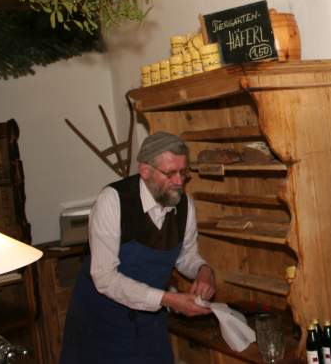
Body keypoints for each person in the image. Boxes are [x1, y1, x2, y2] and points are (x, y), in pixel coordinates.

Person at [60, 131, 215, 364]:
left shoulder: (185, 206)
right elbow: (104, 277)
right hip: (101, 324)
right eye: (170, 173)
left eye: (183, 172)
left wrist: (204, 271)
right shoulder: (113, 201)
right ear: (145, 170)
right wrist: (168, 299)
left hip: (149, 322)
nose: (179, 181)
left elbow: (186, 256)